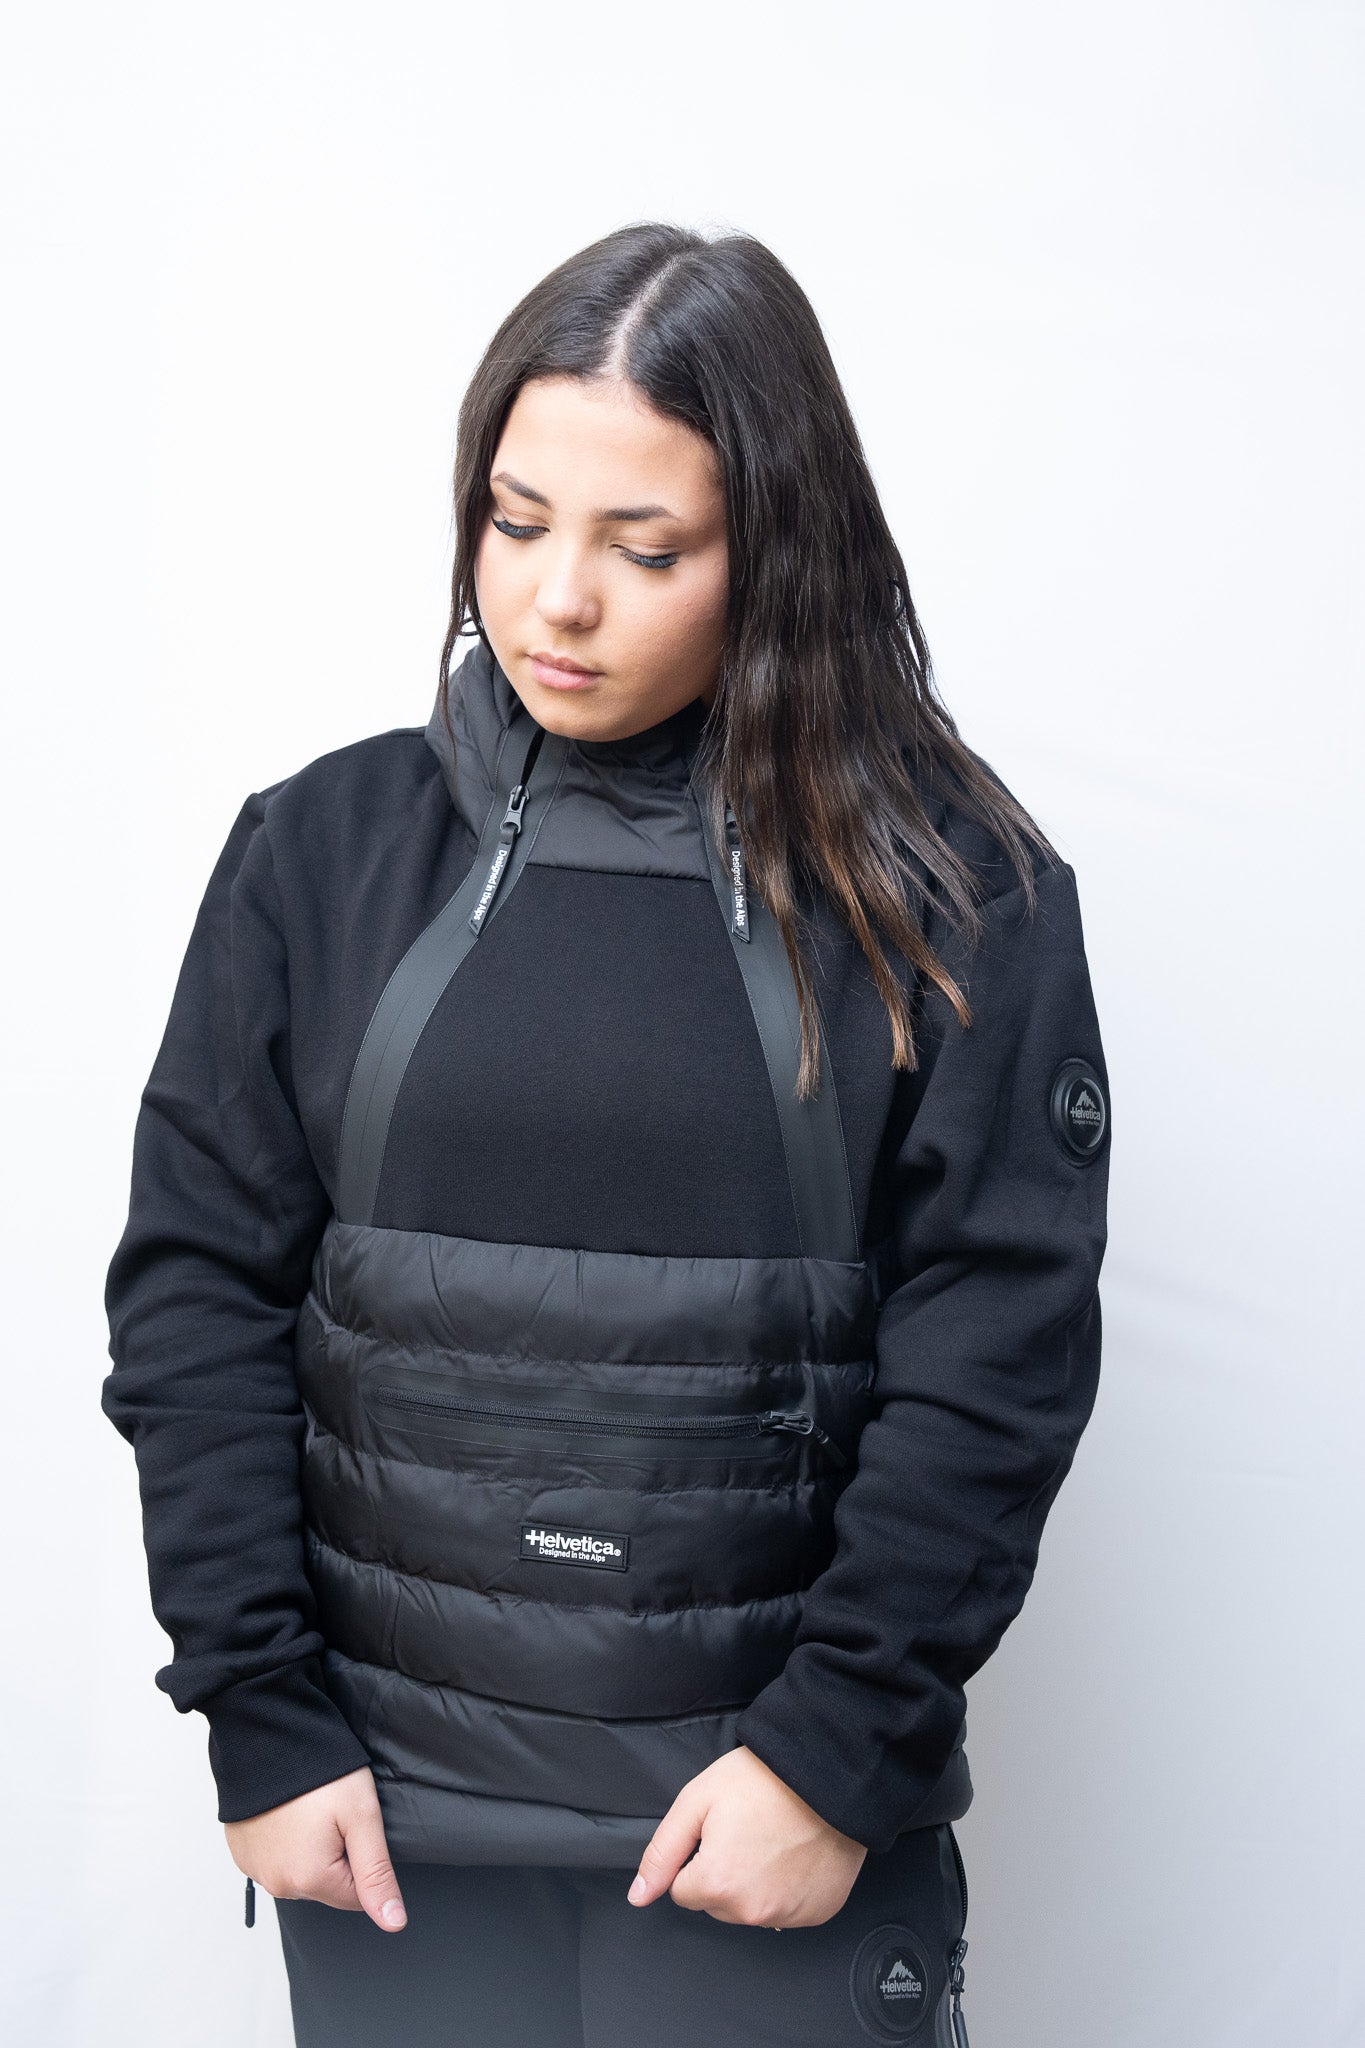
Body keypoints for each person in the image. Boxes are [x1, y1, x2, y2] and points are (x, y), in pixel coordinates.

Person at [102, 221, 1110, 2048]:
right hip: (388, 1835)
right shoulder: (317, 854)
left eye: (644, 549)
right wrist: (258, 1711)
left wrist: (832, 1751)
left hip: (765, 1834)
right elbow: (194, 1302)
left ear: (775, 555)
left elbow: (999, 1354)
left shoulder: (959, 896)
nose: (555, 600)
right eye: (515, 522)